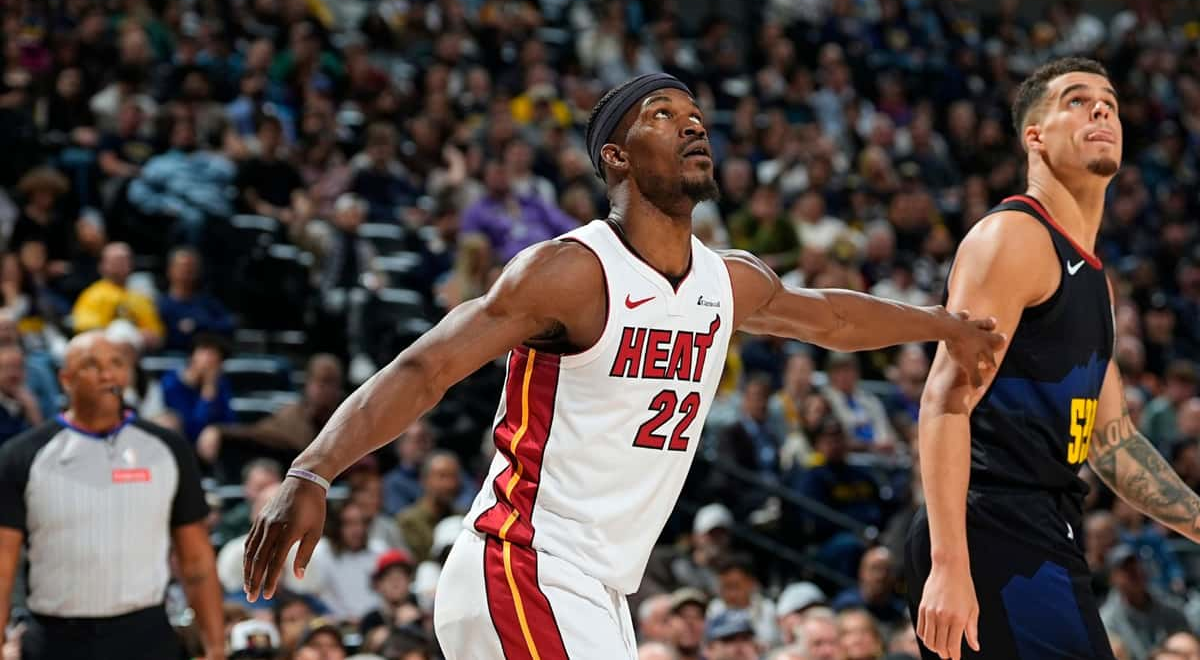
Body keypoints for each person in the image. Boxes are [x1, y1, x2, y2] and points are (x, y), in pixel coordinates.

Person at [241, 73, 1003, 659]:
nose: (692, 124)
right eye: (664, 116)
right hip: (521, 559)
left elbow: (832, 315)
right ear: (616, 155)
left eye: (696, 115)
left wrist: (942, 324)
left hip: (603, 589)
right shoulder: (570, 272)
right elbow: (425, 368)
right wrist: (312, 470)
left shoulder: (724, 279)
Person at [906, 56, 1200, 660]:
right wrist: (949, 565)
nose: (1101, 109)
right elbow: (944, 401)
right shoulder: (1014, 237)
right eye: (1076, 99)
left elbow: (1113, 445)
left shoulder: (1095, 279)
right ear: (1033, 137)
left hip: (1042, 526)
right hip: (990, 525)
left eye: (1110, 103)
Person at [0, 331, 223, 659]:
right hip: (56, 638)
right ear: (65, 379)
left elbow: (197, 562)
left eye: (116, 363)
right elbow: (3, 566)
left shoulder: (168, 449)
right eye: (91, 365)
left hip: (145, 635)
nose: (107, 373)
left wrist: (216, 647)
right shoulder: (22, 455)